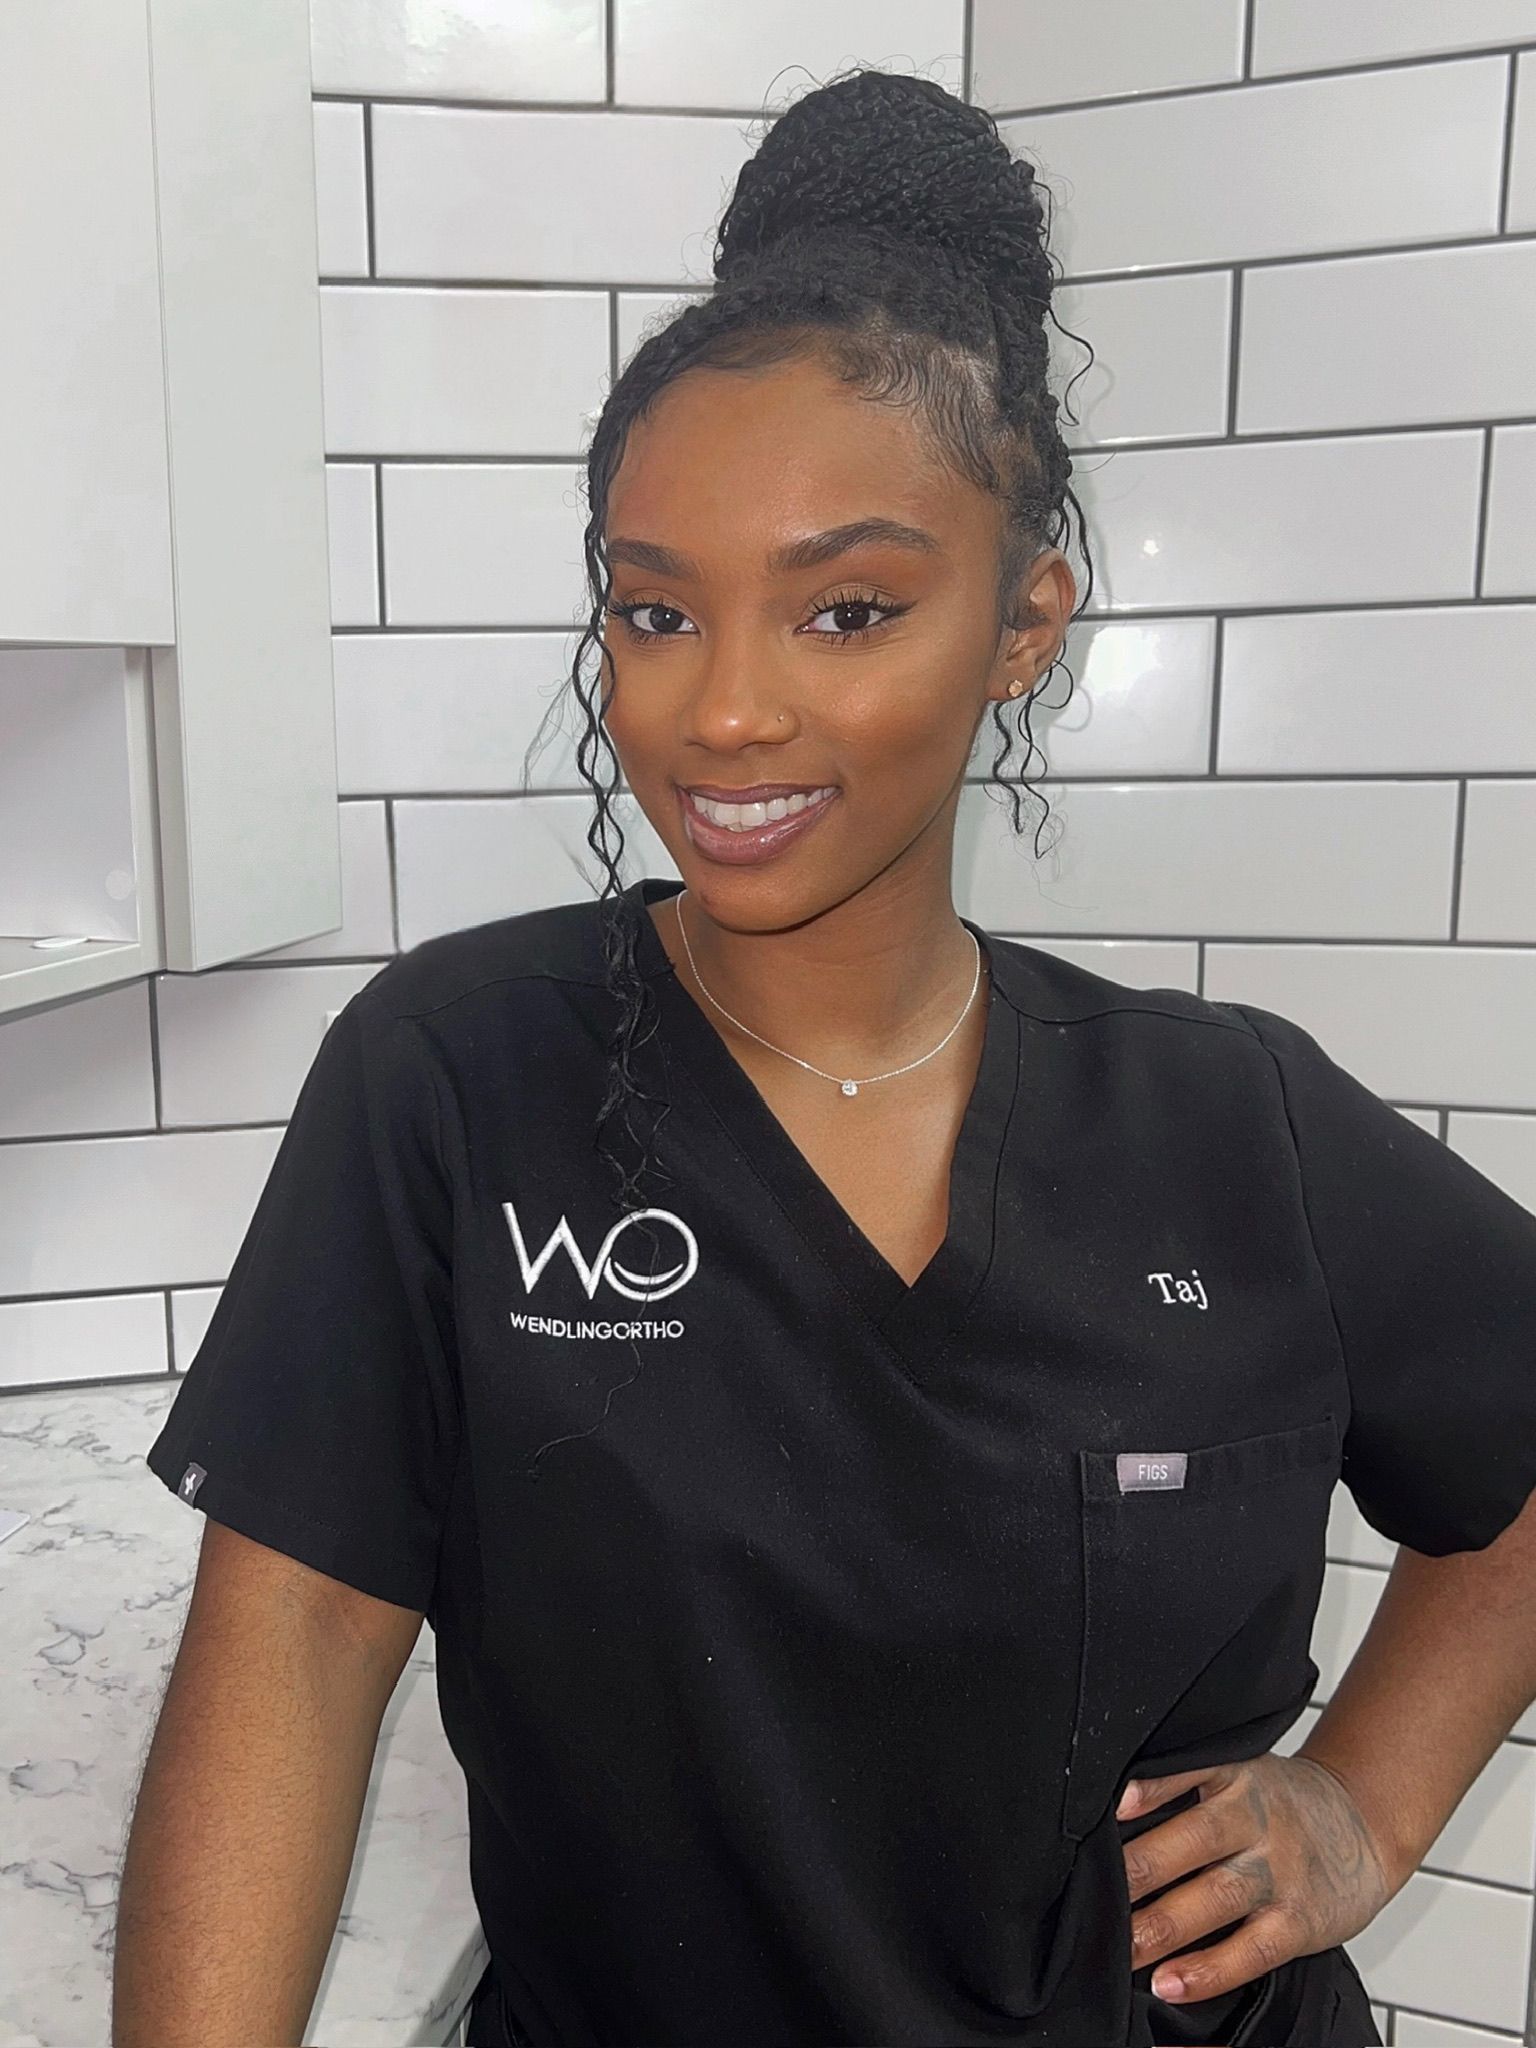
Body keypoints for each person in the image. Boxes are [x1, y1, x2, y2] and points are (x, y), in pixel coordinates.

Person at [113, 64, 1536, 2048]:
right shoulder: (456, 1084)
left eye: (847, 609)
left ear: (1023, 625)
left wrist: (1366, 1804)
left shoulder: (1235, 1123)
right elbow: (290, 1644)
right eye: (655, 611)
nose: (723, 711)